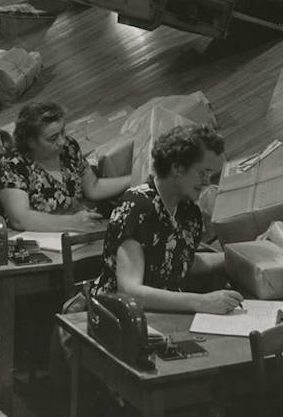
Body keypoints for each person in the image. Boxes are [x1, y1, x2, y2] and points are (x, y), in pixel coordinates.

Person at [92, 125, 242, 314]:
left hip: (164, 315)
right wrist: (202, 302)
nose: (207, 182)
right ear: (177, 168)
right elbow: (130, 291)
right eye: (202, 172)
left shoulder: (188, 210)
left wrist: (238, 256)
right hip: (120, 318)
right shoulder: (137, 206)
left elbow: (179, 260)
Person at [0, 102, 131, 232]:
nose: (61, 141)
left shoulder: (68, 148)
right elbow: (20, 218)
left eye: (62, 132)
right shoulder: (12, 166)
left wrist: (134, 178)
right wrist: (72, 222)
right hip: (38, 241)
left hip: (75, 233)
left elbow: (93, 188)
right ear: (31, 142)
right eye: (53, 138)